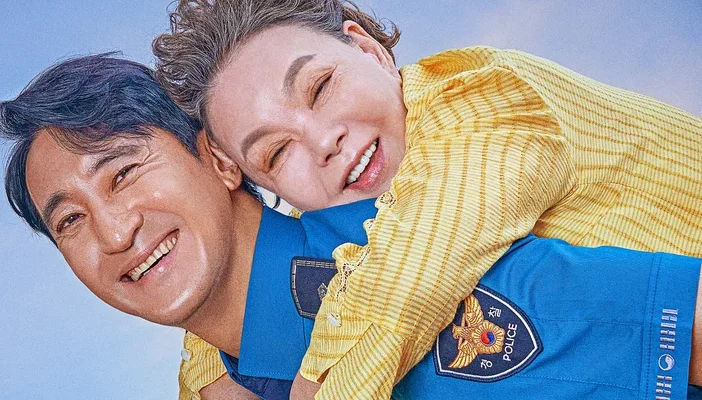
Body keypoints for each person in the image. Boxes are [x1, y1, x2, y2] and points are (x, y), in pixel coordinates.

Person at [2, 54, 701, 400]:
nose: (113, 232)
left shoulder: (411, 253)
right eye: (70, 220)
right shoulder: (236, 365)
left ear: (217, 160)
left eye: (124, 173)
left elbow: (682, 332)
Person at [152, 0, 702, 397]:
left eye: (320, 88)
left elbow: (406, 273)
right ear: (261, 185)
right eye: (275, 153)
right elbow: (240, 287)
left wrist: (313, 384)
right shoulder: (342, 220)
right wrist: (211, 361)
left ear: (369, 50)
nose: (322, 142)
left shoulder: (487, 97)